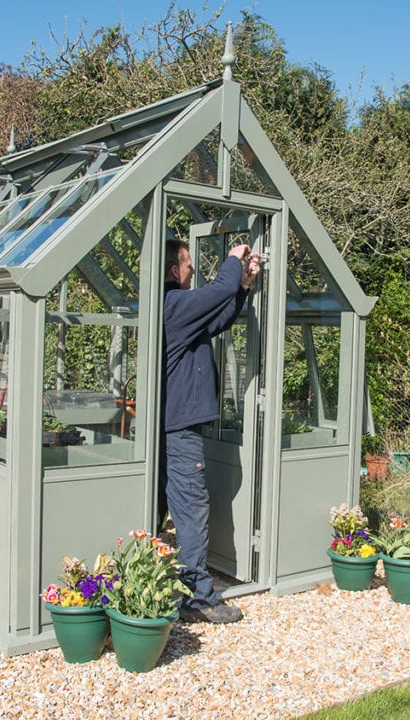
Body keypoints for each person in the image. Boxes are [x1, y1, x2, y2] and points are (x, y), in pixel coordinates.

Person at [161, 238, 261, 624]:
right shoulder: (173, 303)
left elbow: (219, 316)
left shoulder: (179, 308)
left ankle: (174, 586)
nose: (191, 270)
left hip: (177, 425)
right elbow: (217, 291)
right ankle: (197, 597)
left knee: (177, 508)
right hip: (180, 429)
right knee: (191, 511)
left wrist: (245, 285)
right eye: (187, 264)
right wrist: (233, 260)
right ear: (174, 270)